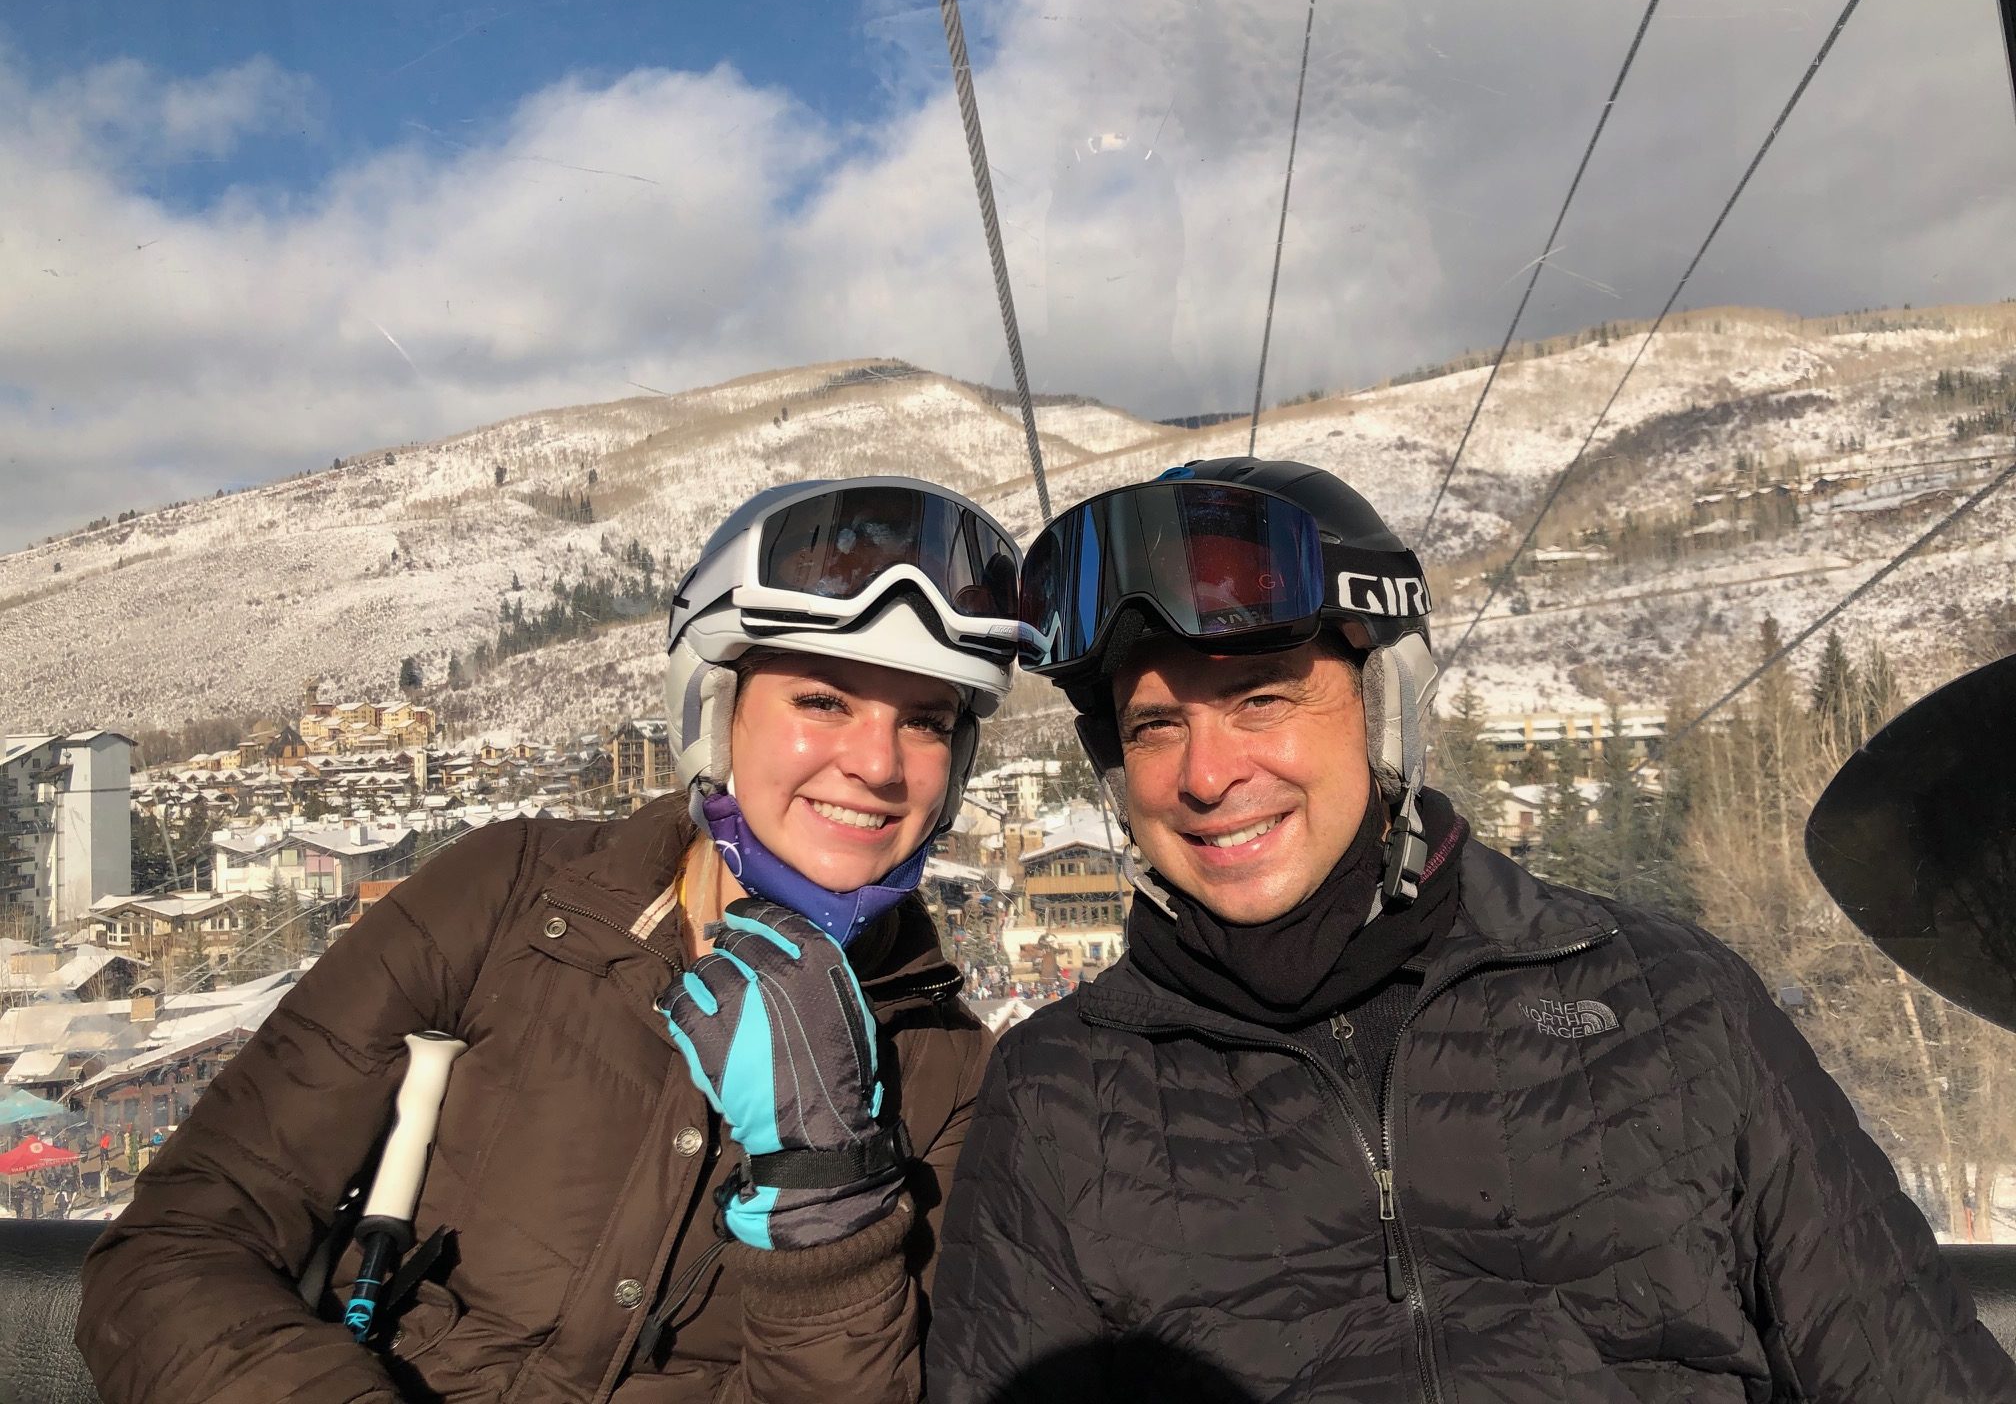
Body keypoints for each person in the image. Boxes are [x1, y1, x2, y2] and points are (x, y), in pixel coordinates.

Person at [928, 457, 2016, 1402]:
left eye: (1262, 698)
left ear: (1384, 707)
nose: (1207, 776)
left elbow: (1909, 1365)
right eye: (1157, 724)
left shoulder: (1667, 1006)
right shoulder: (1067, 1095)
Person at [79, 476, 1024, 1403]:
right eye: (822, 701)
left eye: (928, 722)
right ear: (714, 710)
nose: (877, 765)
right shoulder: (509, 899)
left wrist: (826, 1184)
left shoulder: (945, 1071)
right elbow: (179, 1249)